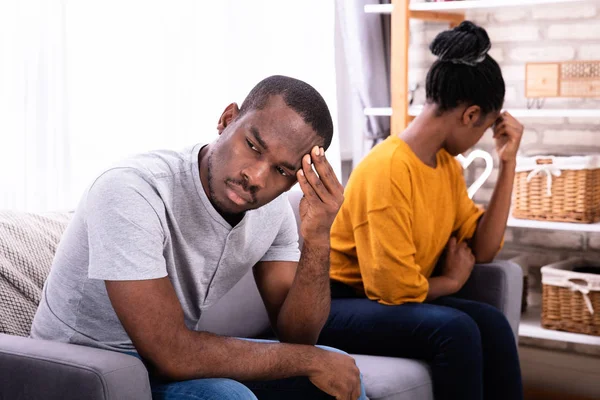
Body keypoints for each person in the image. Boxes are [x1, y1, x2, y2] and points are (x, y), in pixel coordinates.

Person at [31, 75, 367, 400]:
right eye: (252, 146)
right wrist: (311, 360)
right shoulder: (131, 190)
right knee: (229, 395)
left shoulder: (273, 211)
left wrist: (319, 236)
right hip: (79, 372)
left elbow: (298, 336)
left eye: (282, 171)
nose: (255, 177)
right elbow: (172, 352)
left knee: (336, 376)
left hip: (160, 366)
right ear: (227, 119)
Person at [318, 22, 524, 400]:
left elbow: (484, 248)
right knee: (455, 329)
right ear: (470, 114)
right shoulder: (388, 168)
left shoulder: (444, 166)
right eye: (483, 128)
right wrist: (451, 282)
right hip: (335, 305)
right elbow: (392, 290)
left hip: (378, 301)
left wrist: (508, 163)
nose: (481, 137)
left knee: (491, 324)